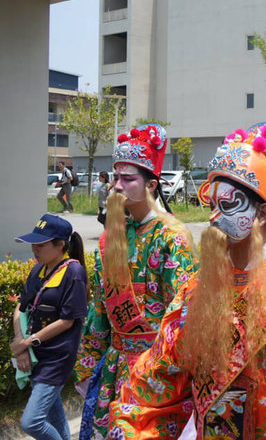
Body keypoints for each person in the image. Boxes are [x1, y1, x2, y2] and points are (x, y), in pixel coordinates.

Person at [109, 122, 266, 438]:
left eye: (227, 205)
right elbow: (161, 374)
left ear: (262, 214)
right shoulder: (197, 289)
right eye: (212, 205)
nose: (213, 218)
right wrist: (127, 425)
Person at [74, 124, 196, 439]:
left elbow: (184, 316)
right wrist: (88, 363)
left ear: (151, 185)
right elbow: (99, 308)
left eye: (128, 179)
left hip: (158, 372)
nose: (117, 186)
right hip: (114, 368)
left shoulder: (173, 237)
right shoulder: (112, 237)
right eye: (116, 177)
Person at [12, 214, 88, 440]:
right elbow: (21, 308)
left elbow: (68, 320)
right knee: (55, 418)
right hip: (35, 356)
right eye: (33, 244)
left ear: (60, 244)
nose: (35, 249)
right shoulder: (37, 270)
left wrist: (28, 342)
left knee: (32, 422)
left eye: (41, 245)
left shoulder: (74, 273)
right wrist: (21, 345)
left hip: (56, 359)